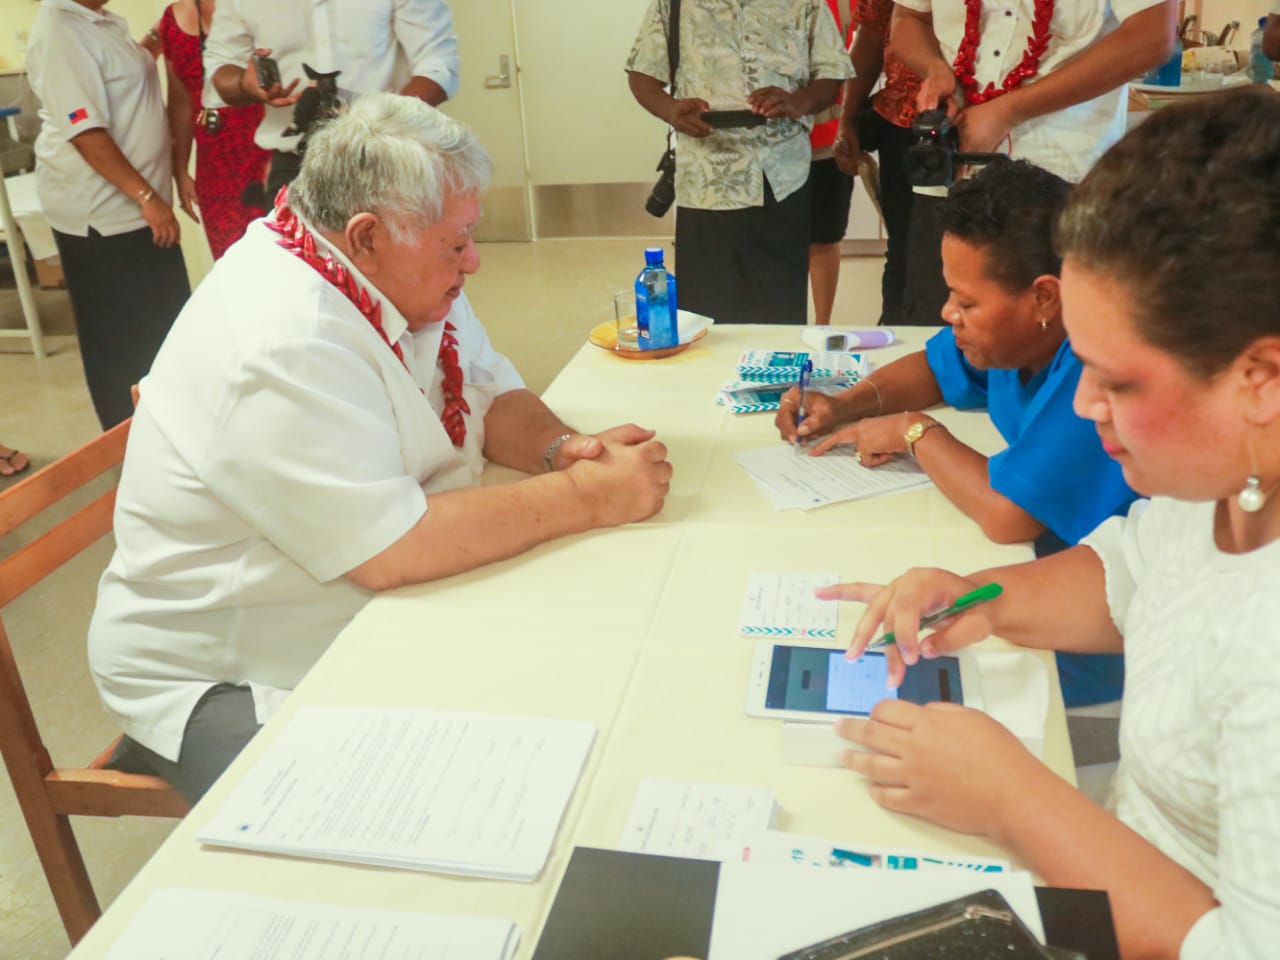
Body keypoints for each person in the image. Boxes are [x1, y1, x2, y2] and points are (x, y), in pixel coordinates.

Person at [90, 95, 673, 803]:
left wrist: (562, 450)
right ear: (365, 235)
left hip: (362, 594)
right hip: (230, 667)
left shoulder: (389, 266)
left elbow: (485, 389)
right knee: (428, 806)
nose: (474, 260)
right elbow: (390, 548)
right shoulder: (280, 335)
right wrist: (588, 497)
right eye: (456, 244)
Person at [826, 90, 1280, 959]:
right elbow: (1130, 570)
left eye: (1120, 382)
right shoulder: (1220, 483)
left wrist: (1013, 800)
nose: (1081, 404)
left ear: (1258, 378)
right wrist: (985, 598)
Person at [775, 159, 1134, 707]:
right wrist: (843, 405)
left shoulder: (1095, 369)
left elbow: (1007, 515)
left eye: (967, 303)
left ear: (1044, 297)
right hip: (1033, 590)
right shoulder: (1019, 338)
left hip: (1084, 633)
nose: (948, 313)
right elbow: (937, 367)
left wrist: (914, 431)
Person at [891, 0, 1177, 325]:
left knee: (1060, 344)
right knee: (942, 332)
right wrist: (934, 68)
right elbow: (907, 17)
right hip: (950, 170)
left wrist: (1005, 112)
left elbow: (1152, 37)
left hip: (1061, 175)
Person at [626, 0, 855, 326]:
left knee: (778, 313)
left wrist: (798, 101)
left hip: (780, 177)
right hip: (705, 181)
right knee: (705, 316)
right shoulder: (674, 4)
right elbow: (642, 73)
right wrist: (669, 110)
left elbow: (832, 75)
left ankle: (776, 377)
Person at [26, 0, 191, 430]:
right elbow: (85, 130)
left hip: (139, 209)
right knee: (120, 343)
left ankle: (171, 434)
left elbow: (118, 80)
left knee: (164, 330)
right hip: (102, 215)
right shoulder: (60, 28)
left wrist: (156, 39)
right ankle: (128, 443)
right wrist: (146, 196)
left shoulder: (100, 21)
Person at [204, 0, 460, 200]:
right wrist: (244, 85)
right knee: (293, 266)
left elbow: (437, 64)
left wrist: (378, 126)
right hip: (295, 165)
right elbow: (221, 63)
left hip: (387, 157)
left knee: (390, 266)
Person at [142, 0, 272, 259]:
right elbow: (180, 103)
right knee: (232, 260)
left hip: (265, 146)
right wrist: (180, 172)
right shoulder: (172, 19)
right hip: (215, 163)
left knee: (282, 252)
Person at [833, 0, 923, 325]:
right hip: (905, 124)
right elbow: (871, 33)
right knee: (905, 246)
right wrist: (847, 119)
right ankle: (899, 341)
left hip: (991, 119)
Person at [807, 0, 856, 327]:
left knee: (824, 237)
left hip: (827, 141)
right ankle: (779, 324)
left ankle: (823, 326)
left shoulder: (846, 4)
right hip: (767, 145)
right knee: (776, 241)